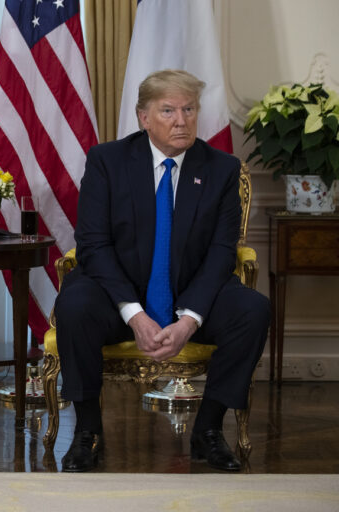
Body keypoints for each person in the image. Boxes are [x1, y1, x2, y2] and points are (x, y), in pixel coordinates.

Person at [55, 70, 269, 472]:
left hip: (191, 294)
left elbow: (223, 253)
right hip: (119, 296)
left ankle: (207, 430)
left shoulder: (221, 168)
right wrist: (134, 314)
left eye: (189, 109)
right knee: (75, 303)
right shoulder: (108, 161)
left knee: (252, 309)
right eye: (168, 110)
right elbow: (93, 246)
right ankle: (88, 431)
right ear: (143, 117)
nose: (181, 120)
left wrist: (189, 321)